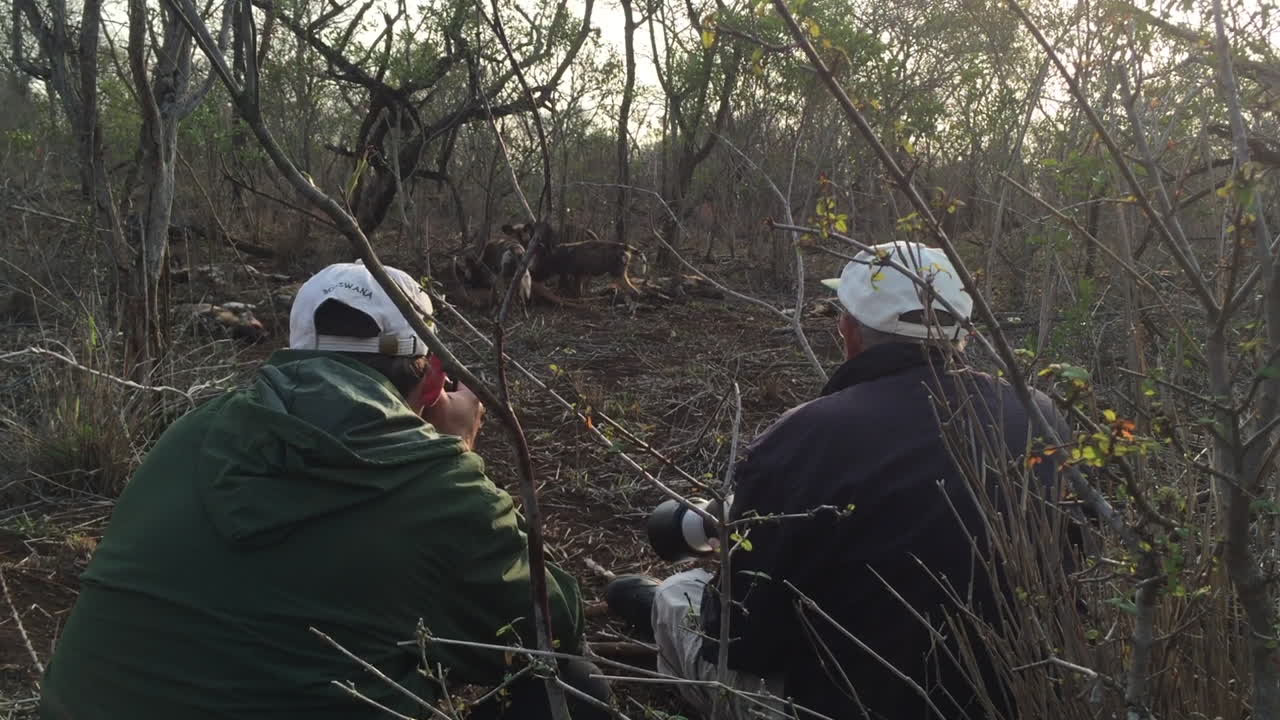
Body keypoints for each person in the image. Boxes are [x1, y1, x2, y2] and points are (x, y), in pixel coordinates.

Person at [39, 261, 609, 720]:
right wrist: (458, 450)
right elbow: (552, 627)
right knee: (573, 689)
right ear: (434, 377)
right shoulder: (438, 484)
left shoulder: (191, 431)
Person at [607, 242, 1071, 719]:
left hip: (842, 705)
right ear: (964, 333)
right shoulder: (1040, 415)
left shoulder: (805, 437)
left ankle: (660, 619)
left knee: (677, 592)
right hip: (1017, 695)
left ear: (848, 330)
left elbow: (744, 642)